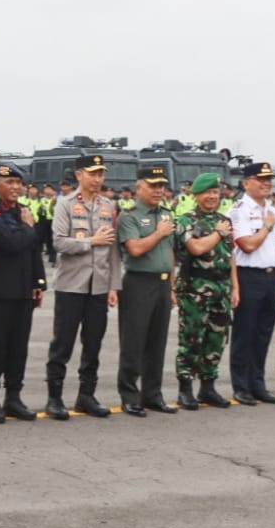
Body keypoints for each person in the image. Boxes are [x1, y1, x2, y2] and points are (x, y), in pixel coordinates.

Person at [45, 154, 121, 420]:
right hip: (71, 285)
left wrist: (113, 285)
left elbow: (112, 249)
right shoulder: (64, 204)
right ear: (79, 175)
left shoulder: (108, 205)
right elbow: (59, 242)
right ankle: (54, 398)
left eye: (101, 174)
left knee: (93, 344)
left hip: (98, 286)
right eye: (93, 174)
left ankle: (86, 395)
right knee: (62, 343)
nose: (98, 179)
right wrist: (91, 241)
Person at [0, 163, 47, 423]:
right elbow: (11, 242)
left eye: (18, 183)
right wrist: (28, 229)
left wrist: (38, 283)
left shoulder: (24, 212)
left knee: (19, 347)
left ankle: (14, 397)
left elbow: (33, 250)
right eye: (9, 183)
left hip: (22, 291)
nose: (15, 188)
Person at [115, 163, 178, 415]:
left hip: (162, 283)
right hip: (139, 283)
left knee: (157, 341)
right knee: (134, 341)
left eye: (162, 186)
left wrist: (172, 287)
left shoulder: (166, 214)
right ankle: (130, 395)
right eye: (153, 186)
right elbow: (135, 249)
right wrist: (159, 233)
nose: (158, 190)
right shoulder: (128, 215)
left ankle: (153, 394)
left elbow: (170, 253)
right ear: (139, 187)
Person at [172, 172, 234, 410]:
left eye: (215, 192)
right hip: (195, 289)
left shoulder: (223, 220)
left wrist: (234, 288)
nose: (212, 196)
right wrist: (218, 234)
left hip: (221, 288)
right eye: (207, 192)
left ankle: (208, 387)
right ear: (196, 195)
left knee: (216, 339)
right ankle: (185, 388)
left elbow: (231, 257)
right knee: (192, 339)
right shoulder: (187, 220)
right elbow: (196, 248)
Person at [229, 162, 275, 405]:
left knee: (263, 333)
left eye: (268, 179)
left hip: (271, 276)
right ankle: (241, 386)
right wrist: (266, 226)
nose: (266, 183)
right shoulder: (239, 210)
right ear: (246, 182)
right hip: (248, 276)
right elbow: (247, 245)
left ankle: (258, 383)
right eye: (260, 179)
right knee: (245, 332)